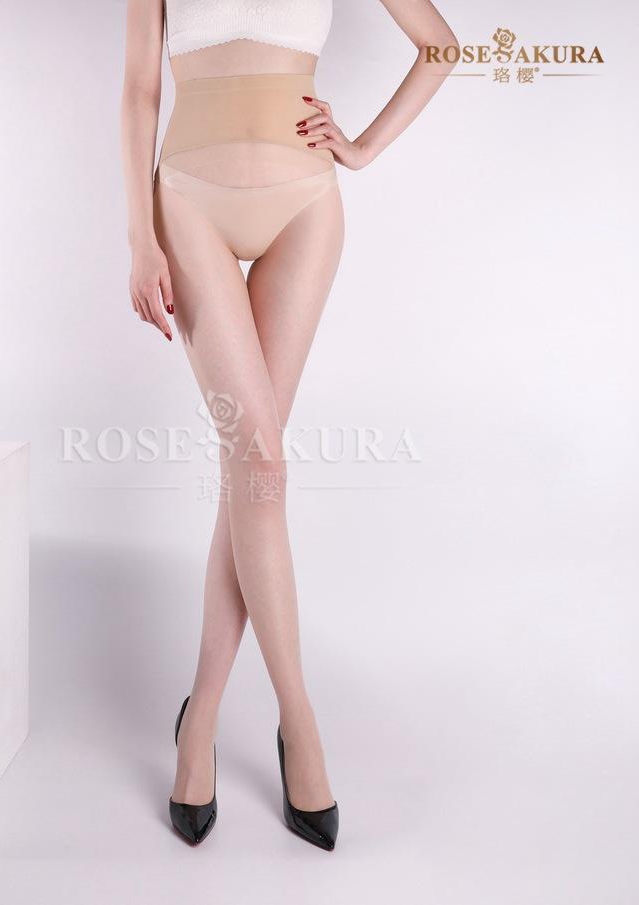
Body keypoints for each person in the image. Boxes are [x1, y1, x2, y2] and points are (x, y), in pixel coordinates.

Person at [120, 0, 459, 849]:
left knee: (253, 472)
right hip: (188, 204)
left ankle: (207, 717)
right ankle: (295, 720)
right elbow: (138, 89)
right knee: (260, 464)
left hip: (305, 207)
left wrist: (364, 147)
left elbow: (440, 47)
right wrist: (138, 238)